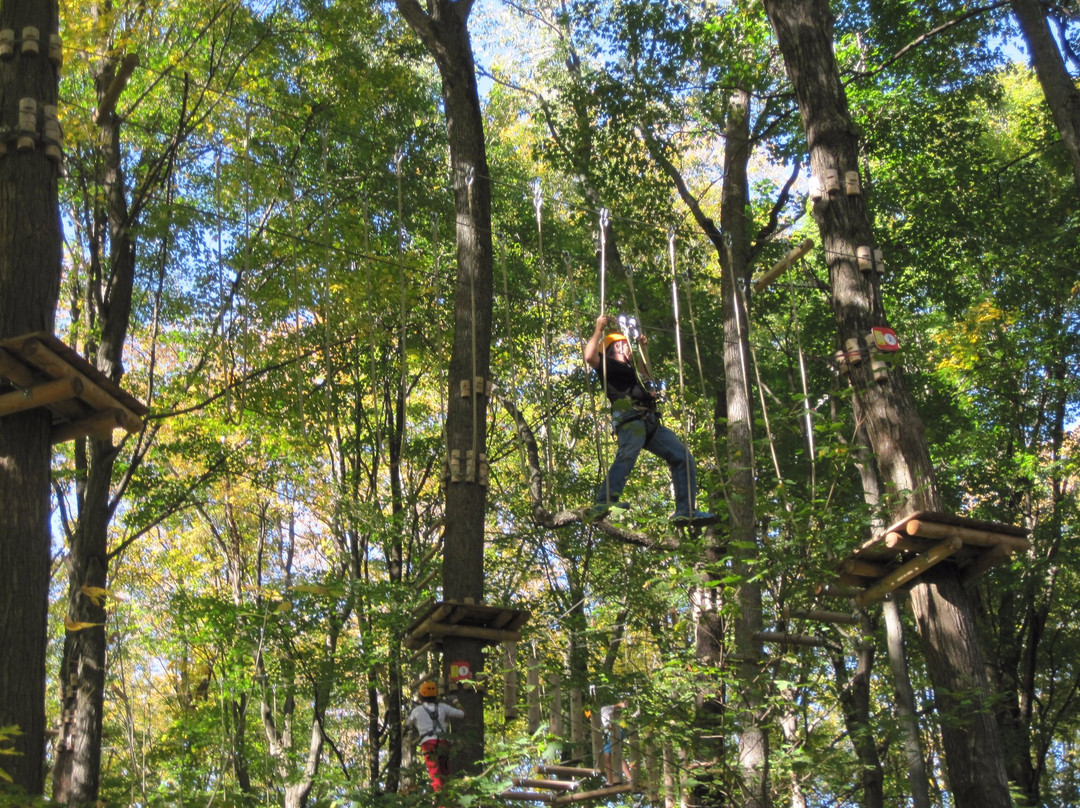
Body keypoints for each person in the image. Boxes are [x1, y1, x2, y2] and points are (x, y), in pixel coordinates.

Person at [583, 314, 714, 525]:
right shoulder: (607, 366)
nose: (629, 350)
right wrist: (598, 329)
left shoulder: (631, 370)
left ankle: (685, 510)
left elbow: (647, 380)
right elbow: (589, 357)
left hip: (650, 421)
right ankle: (604, 502)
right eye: (625, 346)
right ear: (614, 348)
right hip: (630, 419)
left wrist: (643, 351)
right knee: (626, 456)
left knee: (683, 456)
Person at [407, 680, 465, 793]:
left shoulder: (417, 711)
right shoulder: (443, 707)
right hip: (443, 743)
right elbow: (462, 714)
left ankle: (442, 803)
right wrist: (456, 701)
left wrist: (408, 716)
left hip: (428, 744)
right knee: (446, 774)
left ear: (421, 696)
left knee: (435, 775)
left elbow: (407, 724)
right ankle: (450, 801)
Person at [600, 700, 632, 786]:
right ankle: (611, 781)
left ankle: (613, 781)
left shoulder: (604, 709)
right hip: (613, 732)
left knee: (610, 755)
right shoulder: (597, 720)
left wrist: (623, 704)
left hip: (617, 729)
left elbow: (617, 705)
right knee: (611, 755)